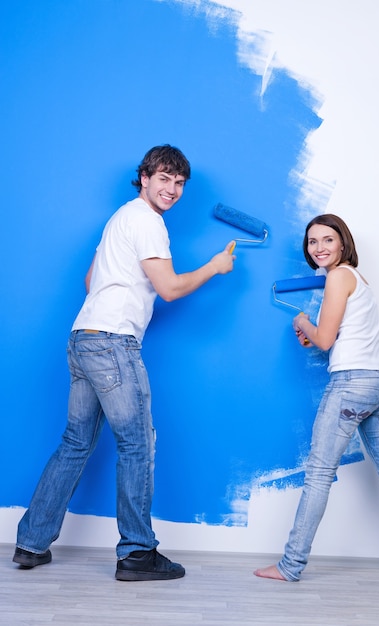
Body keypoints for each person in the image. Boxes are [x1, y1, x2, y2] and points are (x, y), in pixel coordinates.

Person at [13, 144, 235, 581]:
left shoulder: (120, 218)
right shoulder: (149, 222)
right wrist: (214, 266)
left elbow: (90, 279)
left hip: (83, 337)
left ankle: (31, 543)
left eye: (179, 182)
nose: (172, 189)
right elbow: (169, 288)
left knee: (76, 444)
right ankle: (137, 553)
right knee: (138, 444)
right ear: (145, 178)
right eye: (164, 178)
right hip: (113, 343)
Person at [254, 213, 379, 584]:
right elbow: (335, 336)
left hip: (351, 385)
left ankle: (290, 566)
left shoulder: (337, 276)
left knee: (318, 475)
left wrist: (303, 323)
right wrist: (315, 332)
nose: (319, 248)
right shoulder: (358, 280)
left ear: (343, 242)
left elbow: (324, 340)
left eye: (327, 240)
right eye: (312, 241)